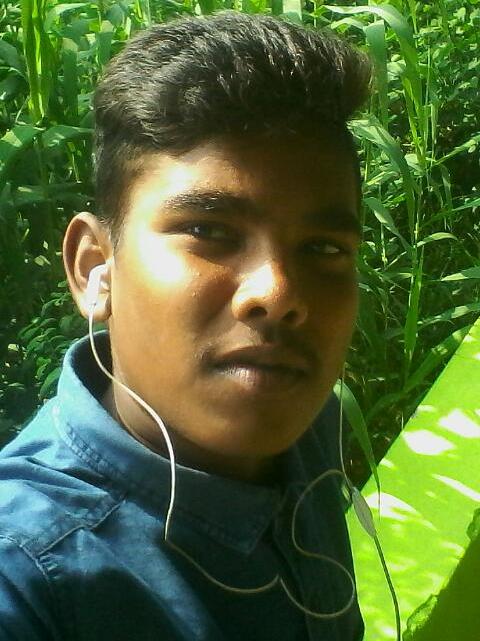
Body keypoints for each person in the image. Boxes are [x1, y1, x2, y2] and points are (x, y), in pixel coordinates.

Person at [0, 11, 370, 640]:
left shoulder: (308, 429)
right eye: (208, 230)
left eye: (324, 248)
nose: (278, 294)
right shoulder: (31, 575)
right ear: (95, 269)